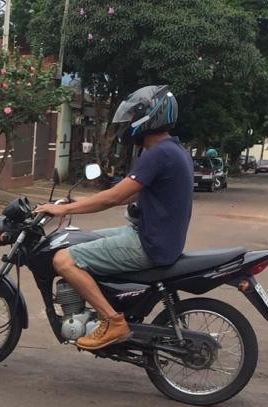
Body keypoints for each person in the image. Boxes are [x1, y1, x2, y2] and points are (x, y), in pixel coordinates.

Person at [34, 85, 194, 351]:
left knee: (63, 260)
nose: (128, 123)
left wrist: (64, 210)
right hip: (155, 237)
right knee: (79, 239)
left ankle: (112, 321)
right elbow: (131, 194)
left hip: (150, 244)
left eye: (133, 116)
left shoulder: (159, 154)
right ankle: (103, 308)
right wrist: (76, 202)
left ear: (150, 117)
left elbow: (114, 196)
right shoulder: (173, 149)